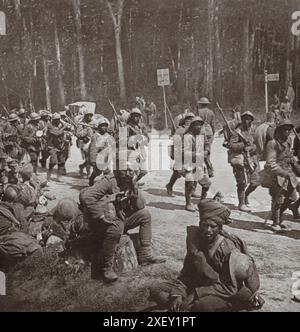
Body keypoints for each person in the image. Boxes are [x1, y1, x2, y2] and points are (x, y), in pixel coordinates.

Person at [149, 199, 264, 312]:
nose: (208, 230)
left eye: (213, 226)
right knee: (156, 288)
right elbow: (186, 273)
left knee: (202, 307)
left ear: (220, 228)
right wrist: (177, 294)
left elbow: (228, 287)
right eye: (205, 225)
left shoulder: (227, 248)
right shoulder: (195, 241)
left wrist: (196, 294)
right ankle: (184, 307)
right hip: (200, 284)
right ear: (200, 224)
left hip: (224, 292)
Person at [79, 169, 166, 283]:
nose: (128, 174)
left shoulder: (131, 180)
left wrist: (134, 189)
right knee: (117, 226)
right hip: (100, 223)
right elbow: (87, 197)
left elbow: (140, 207)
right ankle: (106, 268)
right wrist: (100, 215)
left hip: (118, 218)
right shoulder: (109, 181)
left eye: (131, 171)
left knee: (145, 215)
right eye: (125, 171)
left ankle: (145, 255)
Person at [263, 120, 299, 231]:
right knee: (277, 199)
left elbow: (289, 156)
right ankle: (276, 222)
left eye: (289, 130)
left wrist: (293, 161)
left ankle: (279, 215)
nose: (288, 132)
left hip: (289, 173)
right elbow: (270, 163)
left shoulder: (288, 141)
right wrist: (283, 173)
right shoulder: (272, 143)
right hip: (276, 175)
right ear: (279, 130)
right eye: (285, 129)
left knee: (292, 197)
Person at [227, 112, 260, 212]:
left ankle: (245, 196)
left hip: (252, 159)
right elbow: (231, 145)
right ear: (242, 119)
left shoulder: (253, 130)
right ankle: (241, 203)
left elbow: (257, 144)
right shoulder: (237, 132)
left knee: (256, 180)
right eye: (245, 119)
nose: (247, 121)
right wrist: (243, 145)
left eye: (249, 119)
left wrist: (253, 147)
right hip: (240, 159)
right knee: (242, 182)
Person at [178, 117, 211, 212]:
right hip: (189, 163)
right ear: (192, 126)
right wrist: (197, 154)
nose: (199, 127)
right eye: (197, 124)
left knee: (207, 183)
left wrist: (206, 151)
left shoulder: (201, 135)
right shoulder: (188, 136)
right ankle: (188, 203)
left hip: (199, 163)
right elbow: (184, 152)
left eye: (200, 124)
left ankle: (202, 202)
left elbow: (207, 144)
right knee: (190, 183)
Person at [166, 112, 195, 197]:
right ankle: (189, 192)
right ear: (185, 120)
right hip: (181, 154)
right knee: (186, 172)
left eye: (191, 119)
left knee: (177, 171)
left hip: (191, 154)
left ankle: (170, 185)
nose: (189, 121)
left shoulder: (194, 130)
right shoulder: (180, 130)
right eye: (188, 119)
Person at [89, 118, 113, 186]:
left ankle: (105, 185)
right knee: (97, 172)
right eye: (102, 126)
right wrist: (92, 160)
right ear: (99, 127)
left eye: (105, 126)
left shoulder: (109, 136)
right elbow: (93, 148)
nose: (104, 127)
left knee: (107, 172)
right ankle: (91, 179)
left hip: (107, 157)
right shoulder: (95, 136)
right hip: (98, 157)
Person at [46, 113, 70, 182]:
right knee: (53, 161)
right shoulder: (49, 125)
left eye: (59, 119)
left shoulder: (60, 124)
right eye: (56, 120)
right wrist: (64, 127)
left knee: (62, 161)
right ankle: (48, 175)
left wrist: (66, 126)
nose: (57, 121)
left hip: (61, 145)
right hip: (52, 146)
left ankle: (59, 176)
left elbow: (70, 129)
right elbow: (56, 133)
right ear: (53, 120)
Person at [197, 97, 215, 177]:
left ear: (200, 104)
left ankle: (204, 170)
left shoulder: (198, 112)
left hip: (201, 131)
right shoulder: (211, 112)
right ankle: (209, 170)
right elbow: (213, 124)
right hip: (209, 131)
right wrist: (213, 133)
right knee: (207, 151)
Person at [76, 110, 94, 178]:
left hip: (93, 141)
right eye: (88, 115)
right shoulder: (81, 123)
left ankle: (82, 166)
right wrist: (86, 130)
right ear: (85, 116)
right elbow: (78, 133)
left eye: (90, 115)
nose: (89, 117)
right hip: (85, 142)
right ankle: (88, 173)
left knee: (92, 158)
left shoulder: (93, 122)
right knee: (88, 158)